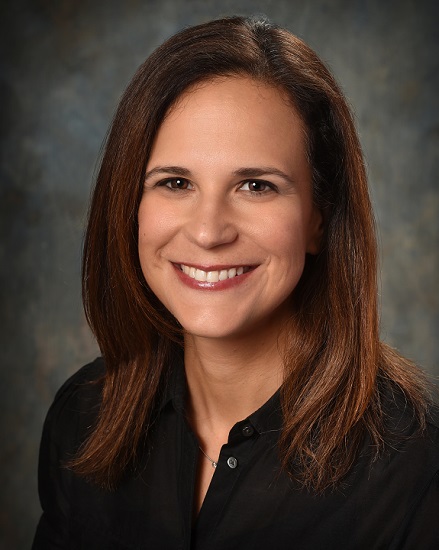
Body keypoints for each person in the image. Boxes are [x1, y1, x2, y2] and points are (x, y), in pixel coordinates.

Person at [32, 15, 438, 550]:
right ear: (129, 204)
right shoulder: (84, 414)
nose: (207, 232)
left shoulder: (417, 463)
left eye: (256, 185)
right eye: (175, 183)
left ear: (320, 217)